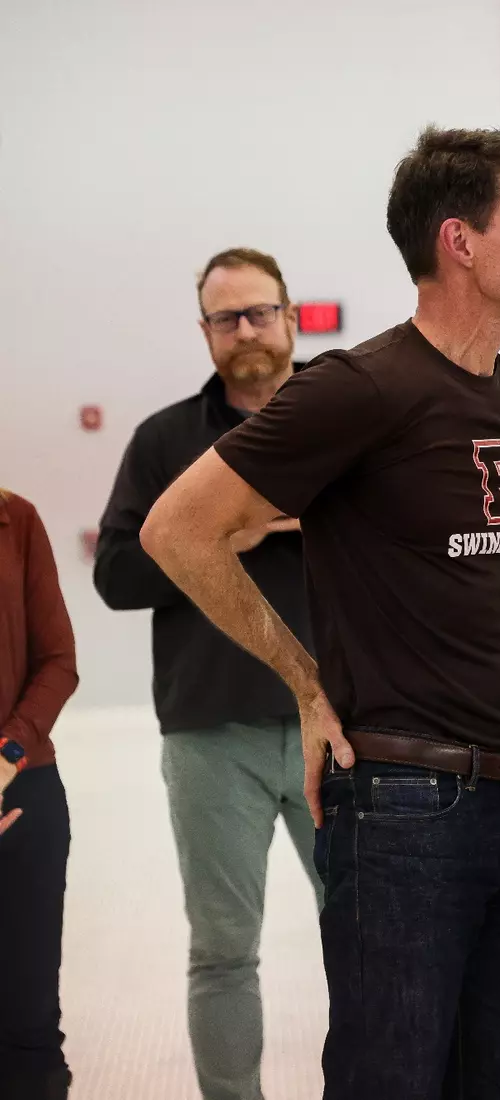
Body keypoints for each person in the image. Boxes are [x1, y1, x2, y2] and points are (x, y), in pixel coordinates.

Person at [138, 127, 500, 1099]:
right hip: (406, 815)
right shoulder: (361, 384)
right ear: (460, 241)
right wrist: (303, 678)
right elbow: (178, 531)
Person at [93, 246, 319, 1100]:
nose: (247, 331)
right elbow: (117, 575)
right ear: (205, 333)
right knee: (223, 952)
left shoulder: (342, 424)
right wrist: (225, 535)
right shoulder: (164, 442)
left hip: (335, 720)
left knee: (370, 932)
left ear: (290, 315)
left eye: (260, 311)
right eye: (227, 318)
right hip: (210, 735)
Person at [0, 487, 80, 1100]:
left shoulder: (16, 518)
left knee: (29, 1030)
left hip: (21, 791)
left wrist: (6, 755)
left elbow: (57, 660)